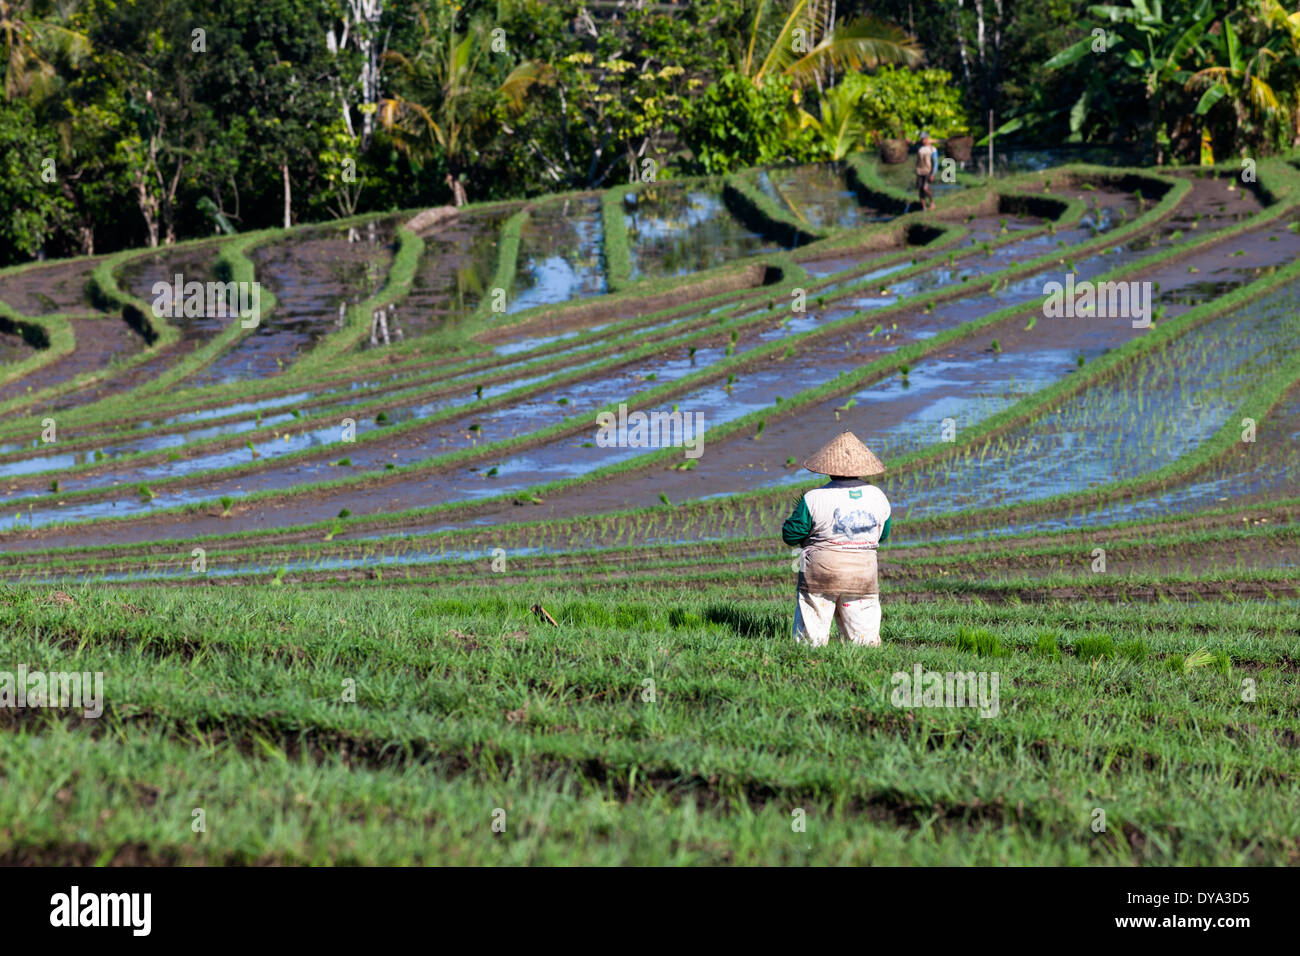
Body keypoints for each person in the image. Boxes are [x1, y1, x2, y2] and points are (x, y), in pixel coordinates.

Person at [781, 431, 891, 647]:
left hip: (821, 572)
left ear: (828, 468)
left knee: (810, 637)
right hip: (863, 574)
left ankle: (807, 667)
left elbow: (790, 535)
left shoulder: (813, 498)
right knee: (864, 639)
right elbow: (883, 534)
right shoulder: (878, 496)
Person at [915, 132, 939, 212]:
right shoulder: (919, 148)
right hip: (919, 171)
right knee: (920, 190)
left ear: (928, 139)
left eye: (925, 139)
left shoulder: (932, 149)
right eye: (922, 139)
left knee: (925, 188)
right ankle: (924, 207)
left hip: (928, 171)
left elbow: (935, 162)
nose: (923, 140)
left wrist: (933, 174)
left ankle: (932, 202)